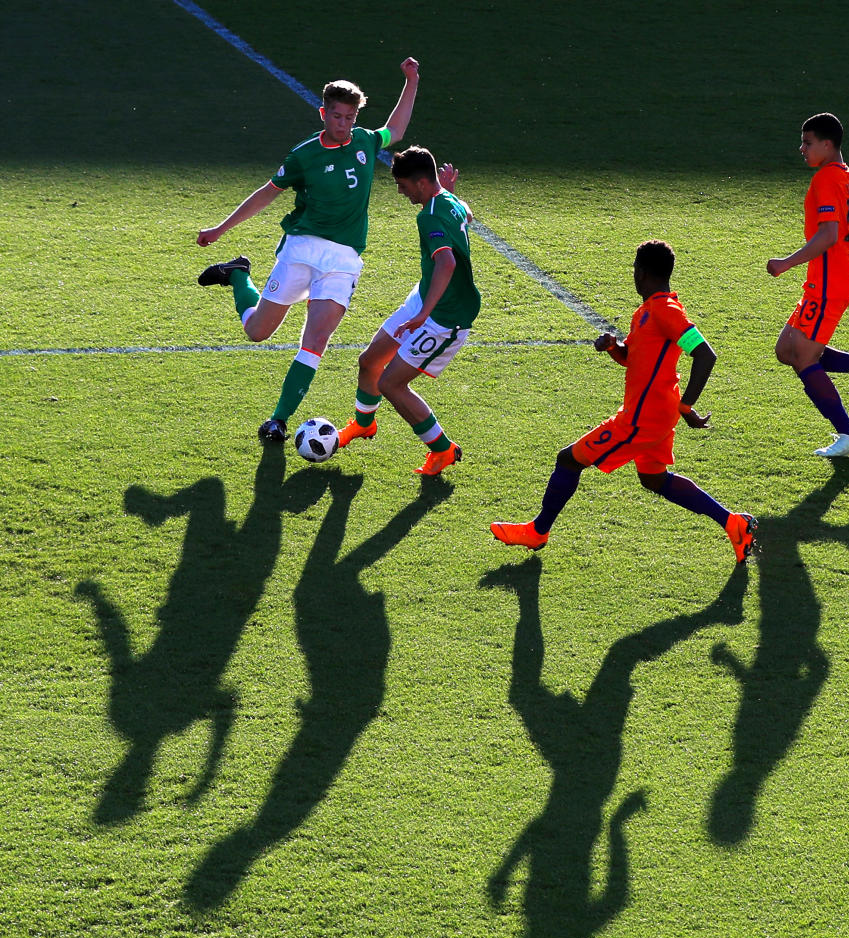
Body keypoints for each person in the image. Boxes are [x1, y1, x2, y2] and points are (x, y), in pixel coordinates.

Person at [196, 59, 421, 442]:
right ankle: (238, 275)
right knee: (257, 331)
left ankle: (277, 420)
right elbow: (267, 194)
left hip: (344, 259)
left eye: (350, 117)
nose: (344, 124)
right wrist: (221, 228)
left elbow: (396, 130)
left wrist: (411, 81)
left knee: (315, 341)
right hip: (300, 249)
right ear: (323, 113)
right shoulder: (303, 155)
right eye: (337, 116)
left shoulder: (366, 141)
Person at [490, 240, 757, 562]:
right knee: (654, 479)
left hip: (642, 419)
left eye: (634, 269)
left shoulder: (665, 310)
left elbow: (705, 354)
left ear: (642, 273)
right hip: (654, 414)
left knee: (569, 460)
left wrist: (687, 406)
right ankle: (734, 523)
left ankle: (537, 532)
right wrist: (615, 348)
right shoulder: (647, 311)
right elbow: (634, 357)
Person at [337, 146, 481, 475]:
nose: (401, 192)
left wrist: (422, 316)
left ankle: (442, 450)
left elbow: (446, 261)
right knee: (370, 361)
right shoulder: (447, 200)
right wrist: (448, 191)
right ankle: (363, 424)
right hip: (426, 298)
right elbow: (467, 216)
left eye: (402, 185)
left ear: (419, 183)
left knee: (391, 384)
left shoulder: (429, 215)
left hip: (446, 317)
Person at [767, 112, 849, 458]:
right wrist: (842, 251)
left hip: (829, 283)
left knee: (803, 357)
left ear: (827, 144)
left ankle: (848, 434)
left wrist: (786, 263)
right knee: (786, 349)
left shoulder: (825, 180)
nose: (801, 148)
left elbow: (828, 234)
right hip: (831, 277)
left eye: (807, 142)